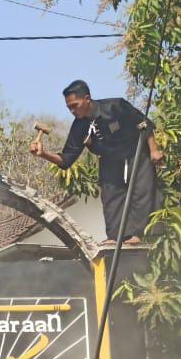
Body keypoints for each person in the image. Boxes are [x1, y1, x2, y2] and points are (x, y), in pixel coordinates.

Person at [30, 80, 163, 245]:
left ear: (87, 99)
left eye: (74, 105)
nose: (72, 111)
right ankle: (115, 236)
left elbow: (144, 124)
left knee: (141, 191)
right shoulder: (79, 126)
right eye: (69, 108)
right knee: (110, 195)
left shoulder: (116, 106)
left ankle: (138, 234)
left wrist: (154, 150)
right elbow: (66, 160)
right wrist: (43, 154)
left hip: (136, 152)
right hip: (110, 159)